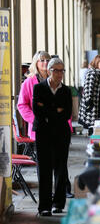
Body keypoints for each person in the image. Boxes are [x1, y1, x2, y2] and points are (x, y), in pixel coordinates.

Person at [18, 51, 74, 198]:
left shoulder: (57, 81)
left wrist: (66, 124)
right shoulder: (29, 83)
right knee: (44, 164)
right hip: (41, 129)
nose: (44, 62)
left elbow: (65, 106)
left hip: (59, 128)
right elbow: (22, 105)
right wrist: (36, 118)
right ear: (36, 63)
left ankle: (63, 190)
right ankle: (47, 194)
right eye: (41, 60)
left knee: (60, 162)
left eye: (47, 60)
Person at [32, 58, 72, 217]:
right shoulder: (39, 88)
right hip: (43, 133)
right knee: (45, 169)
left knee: (61, 168)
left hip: (62, 133)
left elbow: (67, 113)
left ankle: (58, 204)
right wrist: (56, 111)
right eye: (57, 70)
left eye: (62, 70)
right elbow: (37, 110)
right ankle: (45, 206)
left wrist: (48, 111)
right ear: (49, 71)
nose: (60, 74)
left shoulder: (66, 90)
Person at [78, 55, 100, 134]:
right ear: (96, 63)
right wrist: (89, 104)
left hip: (97, 102)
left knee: (95, 125)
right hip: (92, 103)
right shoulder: (92, 73)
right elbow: (87, 89)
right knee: (92, 126)